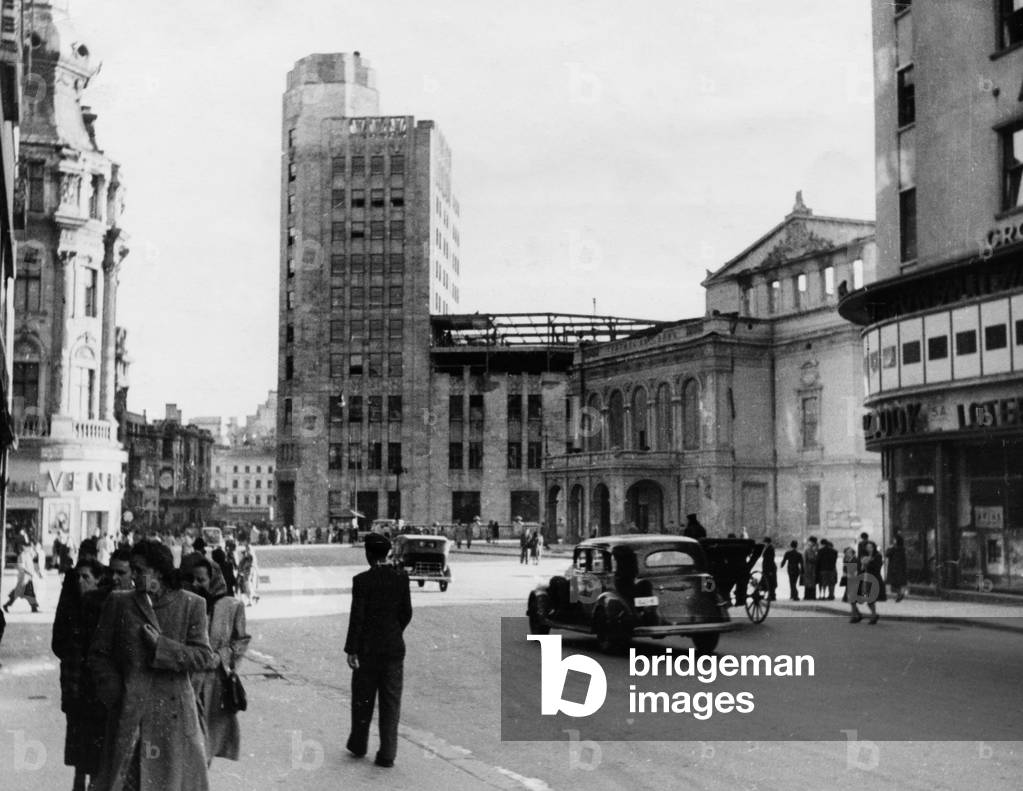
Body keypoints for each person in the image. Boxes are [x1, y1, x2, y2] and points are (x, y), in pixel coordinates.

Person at [88, 540, 214, 791]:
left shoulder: (192, 604)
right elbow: (97, 655)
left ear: (159, 571)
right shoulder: (120, 602)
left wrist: (162, 647)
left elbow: (203, 657)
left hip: (174, 721)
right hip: (131, 716)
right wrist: (117, 694)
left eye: (139, 569)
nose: (132, 576)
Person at [344, 533, 413, 768]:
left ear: (368, 554)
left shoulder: (361, 581)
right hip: (393, 648)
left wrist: (352, 649)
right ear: (387, 554)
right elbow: (406, 613)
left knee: (363, 699)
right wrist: (394, 631)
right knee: (391, 702)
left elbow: (357, 618)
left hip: (368, 650)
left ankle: (359, 744)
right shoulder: (401, 578)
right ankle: (387, 754)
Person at [188, 557, 250, 766]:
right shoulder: (188, 603)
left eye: (201, 579)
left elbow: (240, 642)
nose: (196, 584)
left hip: (216, 683)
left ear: (213, 579)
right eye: (193, 579)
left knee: (209, 741)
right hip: (189, 680)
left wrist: (222, 655)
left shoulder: (233, 606)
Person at [5, 530, 42, 613]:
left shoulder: (29, 554)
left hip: (28, 578)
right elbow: (21, 567)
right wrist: (29, 572)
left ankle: (34, 607)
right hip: (24, 578)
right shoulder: (22, 555)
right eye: (28, 547)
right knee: (18, 593)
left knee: (28, 592)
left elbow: (35, 559)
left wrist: (36, 573)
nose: (30, 548)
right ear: (24, 547)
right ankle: (6, 605)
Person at [849, 540, 886, 624]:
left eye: (871, 547)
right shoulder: (863, 556)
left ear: (874, 547)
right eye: (867, 547)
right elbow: (861, 569)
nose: (869, 549)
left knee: (870, 600)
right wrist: (862, 564)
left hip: (873, 580)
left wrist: (868, 562)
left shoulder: (877, 556)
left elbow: (877, 567)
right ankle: (856, 614)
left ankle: (874, 615)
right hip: (864, 580)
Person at [885, 534, 908, 602]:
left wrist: (890, 547)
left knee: (893, 583)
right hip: (899, 568)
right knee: (897, 583)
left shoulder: (894, 549)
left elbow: (887, 554)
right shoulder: (902, 549)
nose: (893, 541)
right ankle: (900, 594)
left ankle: (900, 594)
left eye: (894, 540)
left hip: (894, 568)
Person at [802, 536, 819, 601]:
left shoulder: (808, 548)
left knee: (809, 583)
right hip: (810, 568)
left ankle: (808, 596)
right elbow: (811, 558)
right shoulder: (810, 549)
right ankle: (810, 596)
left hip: (808, 568)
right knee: (810, 583)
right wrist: (816, 554)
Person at [761, 537, 777, 601]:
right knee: (768, 582)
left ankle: (771, 596)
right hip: (767, 567)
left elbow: (770, 560)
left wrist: (770, 570)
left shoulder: (770, 549)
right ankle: (770, 595)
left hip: (769, 568)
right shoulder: (767, 548)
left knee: (770, 582)